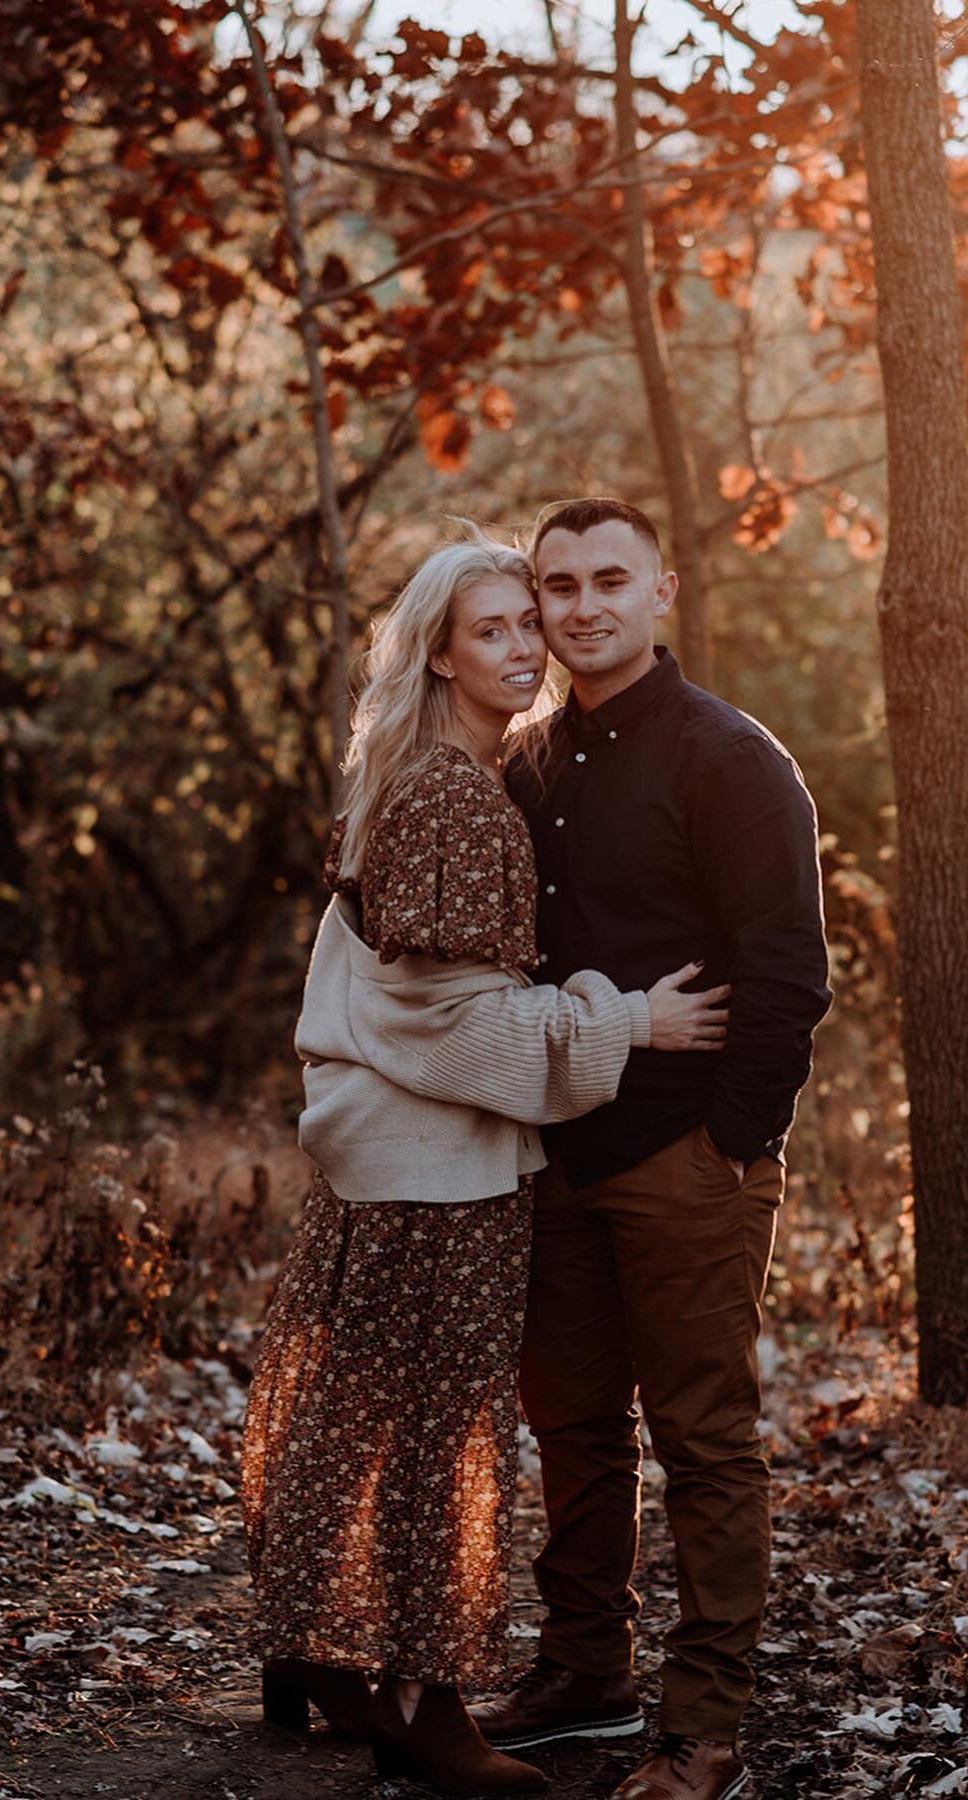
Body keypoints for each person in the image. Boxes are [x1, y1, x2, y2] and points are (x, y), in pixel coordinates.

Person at [240, 530, 733, 1797]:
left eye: (532, 622)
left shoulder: (445, 770)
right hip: (435, 1176)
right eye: (496, 629)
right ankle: (422, 1703)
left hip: (392, 1159)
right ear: (440, 649)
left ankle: (312, 1654)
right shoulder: (456, 796)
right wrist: (627, 1018)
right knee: (441, 1439)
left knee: (356, 1411)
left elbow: (432, 996)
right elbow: (456, 1027)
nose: (528, 646)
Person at [472, 498, 832, 1800]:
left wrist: (736, 1142)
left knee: (705, 1438)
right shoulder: (527, 762)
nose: (580, 607)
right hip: (556, 1156)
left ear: (660, 590)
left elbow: (790, 966)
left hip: (688, 1157)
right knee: (569, 1424)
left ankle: (701, 1728)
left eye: (607, 580)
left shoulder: (729, 759)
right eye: (556, 585)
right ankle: (585, 1675)